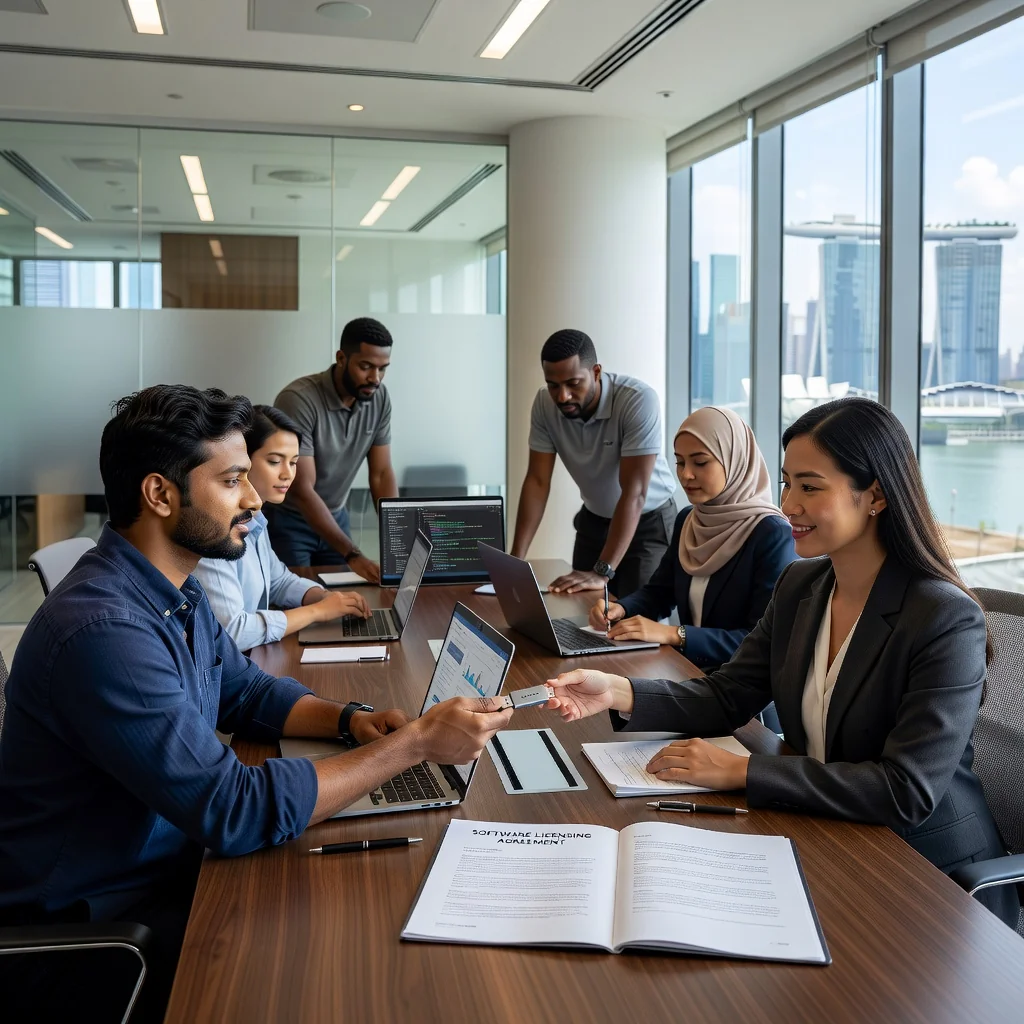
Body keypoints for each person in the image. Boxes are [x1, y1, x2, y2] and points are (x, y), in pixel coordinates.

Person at [0, 385, 512, 1021]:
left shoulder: (173, 591)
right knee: (341, 970)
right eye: (233, 480)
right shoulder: (104, 632)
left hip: (169, 863)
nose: (251, 499)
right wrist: (412, 746)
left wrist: (353, 722)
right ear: (160, 494)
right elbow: (231, 810)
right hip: (99, 934)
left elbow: (245, 692)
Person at [545, 397, 1019, 930]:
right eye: (788, 482)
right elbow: (730, 695)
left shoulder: (943, 618)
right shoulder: (802, 586)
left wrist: (742, 769)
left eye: (810, 487)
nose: (788, 504)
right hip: (828, 833)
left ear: (877, 495)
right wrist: (618, 691)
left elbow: (904, 791)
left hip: (927, 877)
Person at [588, 405, 796, 671]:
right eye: (680, 461)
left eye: (700, 462)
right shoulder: (690, 518)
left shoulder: (772, 534)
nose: (686, 474)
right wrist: (621, 609)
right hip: (691, 673)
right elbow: (660, 592)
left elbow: (762, 641)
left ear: (735, 460)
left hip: (743, 692)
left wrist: (675, 634)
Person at [511, 329, 677, 600]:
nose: (562, 396)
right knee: (579, 611)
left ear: (596, 372)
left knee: (633, 622)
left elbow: (634, 493)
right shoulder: (544, 404)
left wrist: (602, 571)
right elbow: (537, 482)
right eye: (553, 385)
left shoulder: (637, 400)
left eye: (573, 383)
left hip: (647, 522)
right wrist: (515, 562)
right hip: (595, 520)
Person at [195, 404, 370, 650]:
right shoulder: (216, 530)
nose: (288, 474)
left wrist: (321, 596)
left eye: (294, 462)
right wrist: (316, 612)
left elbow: (278, 580)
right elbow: (233, 631)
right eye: (275, 461)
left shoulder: (256, 520)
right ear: (242, 460)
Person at [266, 317, 399, 580]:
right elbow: (303, 489)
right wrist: (352, 553)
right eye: (366, 367)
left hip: (336, 516)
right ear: (341, 358)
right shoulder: (299, 400)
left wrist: (398, 540)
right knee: (295, 599)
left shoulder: (379, 397)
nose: (375, 378)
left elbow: (381, 473)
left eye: (383, 369)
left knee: (344, 599)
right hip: (291, 521)